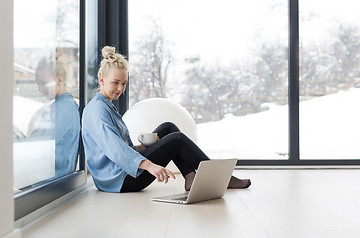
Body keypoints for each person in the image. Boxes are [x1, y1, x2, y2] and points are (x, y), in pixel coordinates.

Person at [81, 46, 251, 193]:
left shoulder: (105, 105)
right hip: (121, 180)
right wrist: (150, 165)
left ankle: (190, 176)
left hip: (121, 171)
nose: (120, 88)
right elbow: (115, 149)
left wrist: (143, 147)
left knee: (168, 128)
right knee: (177, 139)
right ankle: (222, 178)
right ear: (101, 79)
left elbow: (118, 147)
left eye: (124, 83)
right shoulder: (97, 110)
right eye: (115, 82)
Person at [31, 48, 81, 177]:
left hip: (52, 180)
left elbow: (36, 146)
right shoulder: (63, 106)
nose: (40, 89)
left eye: (44, 83)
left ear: (59, 80)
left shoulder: (64, 109)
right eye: (38, 84)